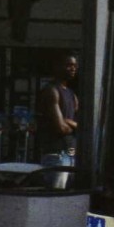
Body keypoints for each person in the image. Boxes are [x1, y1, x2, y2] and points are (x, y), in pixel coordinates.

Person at [37, 51, 79, 189]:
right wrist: (70, 124)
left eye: (74, 65)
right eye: (68, 65)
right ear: (57, 67)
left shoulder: (72, 94)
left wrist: (68, 121)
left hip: (71, 154)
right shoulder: (51, 91)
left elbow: (82, 126)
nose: (73, 68)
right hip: (56, 155)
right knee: (55, 198)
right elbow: (61, 128)